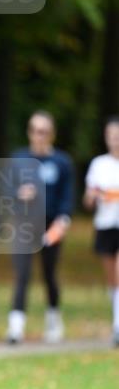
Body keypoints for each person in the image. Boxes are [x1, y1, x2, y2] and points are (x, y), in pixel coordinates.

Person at [6, 111, 74, 344]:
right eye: (35, 131)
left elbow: (67, 197)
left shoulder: (62, 162)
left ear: (52, 134)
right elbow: (5, 192)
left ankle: (53, 320)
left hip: (51, 226)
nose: (39, 136)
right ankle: (16, 327)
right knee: (22, 274)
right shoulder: (18, 159)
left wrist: (63, 220)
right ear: (29, 132)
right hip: (25, 225)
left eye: (43, 131)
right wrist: (18, 194)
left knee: (49, 273)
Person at [83, 116, 119, 347]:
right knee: (111, 280)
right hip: (105, 224)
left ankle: (117, 326)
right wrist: (95, 196)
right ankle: (116, 312)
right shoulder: (98, 165)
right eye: (112, 136)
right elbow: (87, 200)